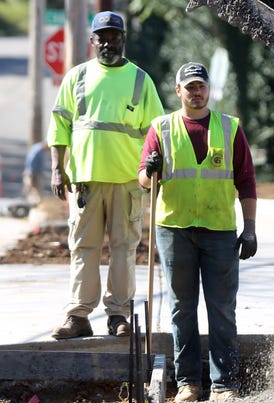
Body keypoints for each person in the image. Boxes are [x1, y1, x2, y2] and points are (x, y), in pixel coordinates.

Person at [138, 62, 257, 402]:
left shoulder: (229, 127)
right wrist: (149, 170)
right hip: (175, 230)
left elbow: (246, 180)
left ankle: (224, 384)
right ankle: (189, 382)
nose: (195, 91)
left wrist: (250, 229)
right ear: (178, 91)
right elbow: (145, 182)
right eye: (189, 86)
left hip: (219, 230)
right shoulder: (161, 128)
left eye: (200, 86)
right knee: (182, 308)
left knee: (221, 307)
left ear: (208, 89)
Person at [47, 11, 164, 340]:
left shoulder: (141, 80)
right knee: (83, 248)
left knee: (124, 249)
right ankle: (78, 315)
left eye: (114, 36)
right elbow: (60, 126)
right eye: (102, 37)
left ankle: (118, 315)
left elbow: (156, 132)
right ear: (92, 41)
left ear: (123, 39)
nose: (108, 42)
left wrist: (154, 171)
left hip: (128, 181)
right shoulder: (77, 77)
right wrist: (58, 169)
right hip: (85, 181)